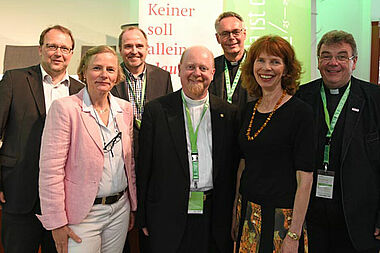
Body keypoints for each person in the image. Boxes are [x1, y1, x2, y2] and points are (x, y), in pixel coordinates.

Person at [136, 46, 240, 253]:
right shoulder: (156, 111)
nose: (196, 73)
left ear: (212, 73)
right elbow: (144, 166)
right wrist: (143, 216)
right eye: (190, 67)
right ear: (179, 70)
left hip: (215, 215)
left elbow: (233, 169)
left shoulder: (229, 114)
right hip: (168, 214)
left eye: (203, 68)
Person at [37, 45, 137, 253]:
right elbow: (50, 171)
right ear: (83, 72)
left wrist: (133, 206)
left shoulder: (125, 109)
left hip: (119, 210)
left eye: (110, 69)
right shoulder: (65, 108)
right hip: (82, 215)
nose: (104, 75)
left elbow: (129, 163)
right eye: (97, 68)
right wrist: (56, 222)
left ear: (117, 75)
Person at [0, 25, 84, 253]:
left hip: (62, 203)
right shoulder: (14, 80)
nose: (58, 53)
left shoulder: (81, 92)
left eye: (65, 48)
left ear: (71, 54)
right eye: (52, 46)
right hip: (18, 193)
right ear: (40, 49)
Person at [296, 30, 380, 252]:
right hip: (312, 217)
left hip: (360, 219)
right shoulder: (301, 98)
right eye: (326, 56)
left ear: (354, 62)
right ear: (318, 61)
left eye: (342, 56)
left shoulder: (375, 99)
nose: (333, 63)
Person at [233, 35, 314, 253]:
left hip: (282, 219)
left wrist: (294, 234)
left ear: (286, 70)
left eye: (275, 62)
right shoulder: (249, 110)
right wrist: (235, 212)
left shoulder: (301, 113)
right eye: (261, 60)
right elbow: (243, 165)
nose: (266, 68)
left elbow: (305, 179)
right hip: (248, 212)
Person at [111, 26, 173, 253]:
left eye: (139, 46)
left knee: (149, 225)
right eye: (128, 46)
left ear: (148, 48)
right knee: (121, 229)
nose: (134, 51)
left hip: (153, 162)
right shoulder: (111, 76)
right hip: (119, 161)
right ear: (120, 50)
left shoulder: (162, 76)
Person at [210, 11, 252, 108]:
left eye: (236, 32)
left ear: (244, 34)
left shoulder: (256, 65)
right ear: (218, 38)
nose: (231, 37)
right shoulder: (211, 67)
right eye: (225, 33)